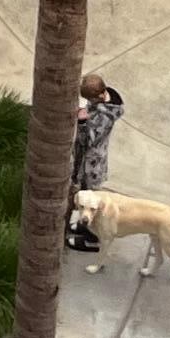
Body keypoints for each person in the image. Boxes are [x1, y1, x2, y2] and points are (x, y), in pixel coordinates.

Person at [68, 74, 124, 251]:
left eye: (90, 100)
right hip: (89, 161)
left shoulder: (105, 116)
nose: (88, 103)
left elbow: (90, 140)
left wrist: (82, 122)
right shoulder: (103, 100)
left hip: (93, 165)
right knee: (86, 196)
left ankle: (93, 238)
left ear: (100, 95)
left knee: (92, 201)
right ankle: (85, 227)